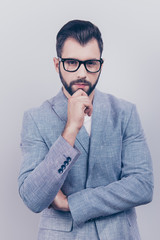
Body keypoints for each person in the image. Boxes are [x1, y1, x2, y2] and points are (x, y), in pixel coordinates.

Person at [18, 20, 154, 240]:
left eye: (90, 63)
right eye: (71, 62)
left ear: (100, 64)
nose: (82, 73)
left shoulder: (125, 112)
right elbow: (33, 198)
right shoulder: (35, 118)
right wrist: (71, 129)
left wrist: (73, 203)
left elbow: (142, 185)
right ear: (57, 64)